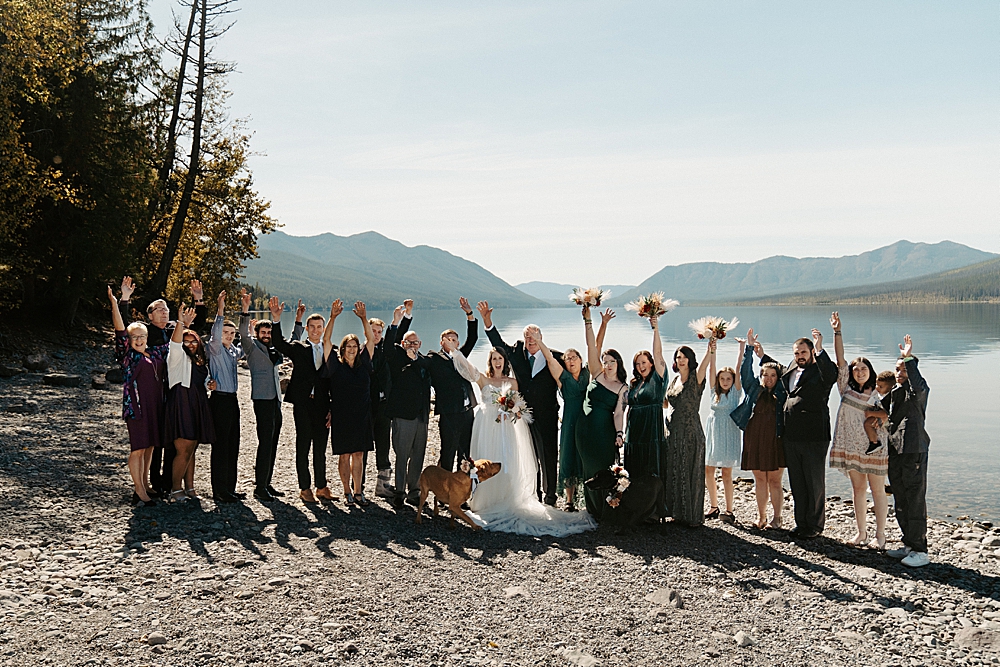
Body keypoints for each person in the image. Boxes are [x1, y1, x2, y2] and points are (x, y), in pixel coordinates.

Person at [448, 341, 596, 536]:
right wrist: (455, 353)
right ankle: (484, 499)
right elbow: (469, 369)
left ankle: (507, 497)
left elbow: (518, 407)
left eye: (500, 358)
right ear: (490, 362)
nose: (497, 362)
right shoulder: (484, 380)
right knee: (484, 461)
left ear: (505, 361)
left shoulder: (513, 382)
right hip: (485, 427)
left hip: (506, 429)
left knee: (507, 461)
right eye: (494, 359)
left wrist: (512, 412)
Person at [118, 278, 207, 497]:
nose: (164, 312)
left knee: (167, 438)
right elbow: (123, 326)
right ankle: (149, 484)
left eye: (166, 309)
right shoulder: (145, 333)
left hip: (172, 390)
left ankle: (167, 483)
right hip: (149, 392)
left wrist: (198, 300)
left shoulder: (172, 329)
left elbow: (197, 327)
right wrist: (125, 298)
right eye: (158, 309)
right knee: (151, 441)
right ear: (149, 315)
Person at [479, 301, 562, 505]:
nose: (530, 340)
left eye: (534, 337)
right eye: (527, 337)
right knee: (529, 455)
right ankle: (536, 493)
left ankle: (551, 495)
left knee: (549, 457)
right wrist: (488, 322)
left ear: (541, 338)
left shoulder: (556, 357)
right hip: (522, 415)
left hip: (548, 415)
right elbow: (497, 343)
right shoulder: (516, 353)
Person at [759, 328, 838, 538]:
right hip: (791, 434)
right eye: (796, 353)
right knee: (797, 481)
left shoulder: (821, 370)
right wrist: (762, 356)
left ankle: (814, 526)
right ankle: (801, 522)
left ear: (811, 352)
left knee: (813, 481)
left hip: (814, 434)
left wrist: (821, 348)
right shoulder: (793, 368)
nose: (799, 356)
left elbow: (832, 374)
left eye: (803, 352)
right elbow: (781, 370)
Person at [532, 308, 610, 511]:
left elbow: (595, 346)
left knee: (584, 456)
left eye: (574, 356)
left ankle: (591, 499)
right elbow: (549, 358)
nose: (571, 359)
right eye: (567, 358)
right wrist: (538, 340)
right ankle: (568, 501)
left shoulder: (587, 374)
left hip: (586, 421)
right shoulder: (562, 379)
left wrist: (602, 324)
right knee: (567, 456)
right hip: (569, 422)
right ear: (564, 364)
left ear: (581, 360)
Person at [868, 335, 931, 568]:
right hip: (896, 451)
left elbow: (917, 382)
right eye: (897, 369)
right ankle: (909, 544)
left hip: (914, 450)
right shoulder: (894, 393)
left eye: (903, 369)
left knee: (914, 500)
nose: (900, 373)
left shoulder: (918, 392)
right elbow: (877, 412)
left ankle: (921, 550)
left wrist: (909, 358)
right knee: (900, 499)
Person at [827, 312, 889, 548]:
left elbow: (887, 415)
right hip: (851, 446)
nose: (859, 372)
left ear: (870, 371)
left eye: (863, 368)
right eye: (856, 369)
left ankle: (880, 535)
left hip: (874, 448)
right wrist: (837, 331)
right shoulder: (845, 388)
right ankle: (861, 532)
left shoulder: (878, 392)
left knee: (878, 491)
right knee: (858, 489)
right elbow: (840, 358)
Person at [109, 279, 167, 506]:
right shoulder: (128, 356)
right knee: (138, 448)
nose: (140, 339)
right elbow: (119, 329)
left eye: (142, 336)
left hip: (154, 405)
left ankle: (146, 485)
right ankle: (139, 491)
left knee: (150, 446)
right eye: (135, 337)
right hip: (137, 408)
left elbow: (175, 343)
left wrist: (183, 322)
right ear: (130, 340)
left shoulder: (152, 353)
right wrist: (118, 302)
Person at [271, 304, 334, 503]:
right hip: (303, 404)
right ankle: (304, 487)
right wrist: (276, 320)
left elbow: (335, 381)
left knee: (321, 448)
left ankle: (321, 486)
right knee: (303, 444)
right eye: (312, 327)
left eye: (319, 327)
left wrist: (333, 408)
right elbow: (279, 344)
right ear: (307, 329)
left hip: (323, 405)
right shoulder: (299, 348)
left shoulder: (330, 350)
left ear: (324, 329)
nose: (316, 330)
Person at [231, 294, 288, 501]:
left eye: (269, 332)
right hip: (262, 400)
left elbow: (290, 341)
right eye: (263, 332)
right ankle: (259, 487)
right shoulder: (252, 348)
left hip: (276, 400)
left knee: (273, 441)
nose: (266, 334)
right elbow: (243, 335)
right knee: (265, 442)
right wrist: (245, 310)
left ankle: (267, 482)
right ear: (257, 333)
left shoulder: (275, 348)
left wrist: (297, 320)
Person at [322, 300, 377, 506]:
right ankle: (346, 491)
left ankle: (358, 491)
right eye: (348, 346)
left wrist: (364, 318)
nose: (352, 349)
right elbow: (326, 340)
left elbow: (370, 340)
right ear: (343, 348)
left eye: (355, 346)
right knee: (344, 455)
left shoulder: (365, 364)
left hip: (362, 416)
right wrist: (333, 317)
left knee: (359, 455)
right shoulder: (336, 365)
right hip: (342, 415)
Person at [576, 307, 627, 522]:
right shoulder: (596, 374)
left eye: (611, 362)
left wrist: (619, 433)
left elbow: (618, 413)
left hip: (603, 433)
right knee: (588, 468)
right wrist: (589, 321)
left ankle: (605, 508)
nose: (607, 365)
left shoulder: (622, 387)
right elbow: (591, 347)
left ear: (618, 363)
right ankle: (590, 510)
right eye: (605, 361)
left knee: (603, 469)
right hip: (584, 431)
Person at [732, 329, 787, 529]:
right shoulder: (754, 388)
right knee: (759, 480)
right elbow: (744, 372)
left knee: (774, 480)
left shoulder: (782, 392)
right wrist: (748, 349)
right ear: (761, 375)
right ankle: (761, 516)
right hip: (754, 437)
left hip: (776, 439)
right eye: (766, 375)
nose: (769, 378)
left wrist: (763, 355)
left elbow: (786, 370)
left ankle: (777, 518)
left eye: (773, 375)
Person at [165, 304, 216, 502]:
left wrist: (209, 384)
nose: (190, 344)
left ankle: (190, 487)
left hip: (197, 403)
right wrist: (181, 322)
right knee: (183, 448)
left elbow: (201, 380)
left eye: (193, 340)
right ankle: (175, 489)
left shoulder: (199, 360)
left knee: (192, 447)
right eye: (186, 341)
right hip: (181, 402)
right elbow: (175, 345)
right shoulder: (177, 358)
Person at [422, 298, 479, 471]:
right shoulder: (434, 358)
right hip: (449, 413)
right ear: (441, 343)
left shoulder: (461, 357)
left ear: (458, 343)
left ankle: (461, 490)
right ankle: (444, 490)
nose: (451, 342)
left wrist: (470, 314)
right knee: (448, 451)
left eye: (454, 339)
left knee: (465, 452)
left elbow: (474, 337)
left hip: (468, 411)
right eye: (447, 339)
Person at [382, 301, 429, 509]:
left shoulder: (424, 361)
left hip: (422, 416)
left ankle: (414, 490)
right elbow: (387, 345)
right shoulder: (396, 357)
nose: (413, 346)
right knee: (402, 454)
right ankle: (399, 491)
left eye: (416, 343)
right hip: (403, 416)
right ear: (403, 344)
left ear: (420, 344)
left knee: (418, 455)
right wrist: (398, 321)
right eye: (409, 343)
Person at [624, 309, 668, 517]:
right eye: (637, 363)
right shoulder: (635, 383)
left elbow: (659, 354)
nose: (640, 366)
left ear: (651, 363)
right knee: (634, 470)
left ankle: (653, 512)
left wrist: (655, 328)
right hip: (634, 432)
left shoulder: (657, 380)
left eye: (644, 362)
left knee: (651, 470)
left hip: (651, 430)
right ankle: (636, 511)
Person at [663, 341, 712, 526]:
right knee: (675, 470)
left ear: (690, 360)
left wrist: (711, 348)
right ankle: (676, 512)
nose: (680, 360)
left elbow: (706, 364)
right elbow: (666, 403)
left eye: (684, 357)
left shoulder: (695, 378)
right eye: (678, 357)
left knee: (690, 471)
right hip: (673, 431)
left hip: (690, 431)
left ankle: (692, 517)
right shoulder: (674, 381)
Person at [204, 290, 244, 504]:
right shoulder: (216, 349)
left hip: (233, 401)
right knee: (220, 447)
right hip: (219, 400)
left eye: (232, 333)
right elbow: (215, 333)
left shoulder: (233, 352)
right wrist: (220, 310)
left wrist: (246, 317)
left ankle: (230, 487)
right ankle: (219, 490)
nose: (228, 335)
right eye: (225, 332)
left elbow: (245, 345)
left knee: (233, 444)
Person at [704, 339, 744, 524]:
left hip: (729, 432)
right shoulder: (714, 391)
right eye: (723, 378)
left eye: (729, 378)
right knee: (708, 469)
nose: (726, 381)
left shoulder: (735, 392)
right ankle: (713, 506)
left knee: (726, 473)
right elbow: (712, 368)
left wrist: (742, 348)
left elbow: (739, 366)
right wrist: (713, 350)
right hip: (713, 431)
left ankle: (729, 509)